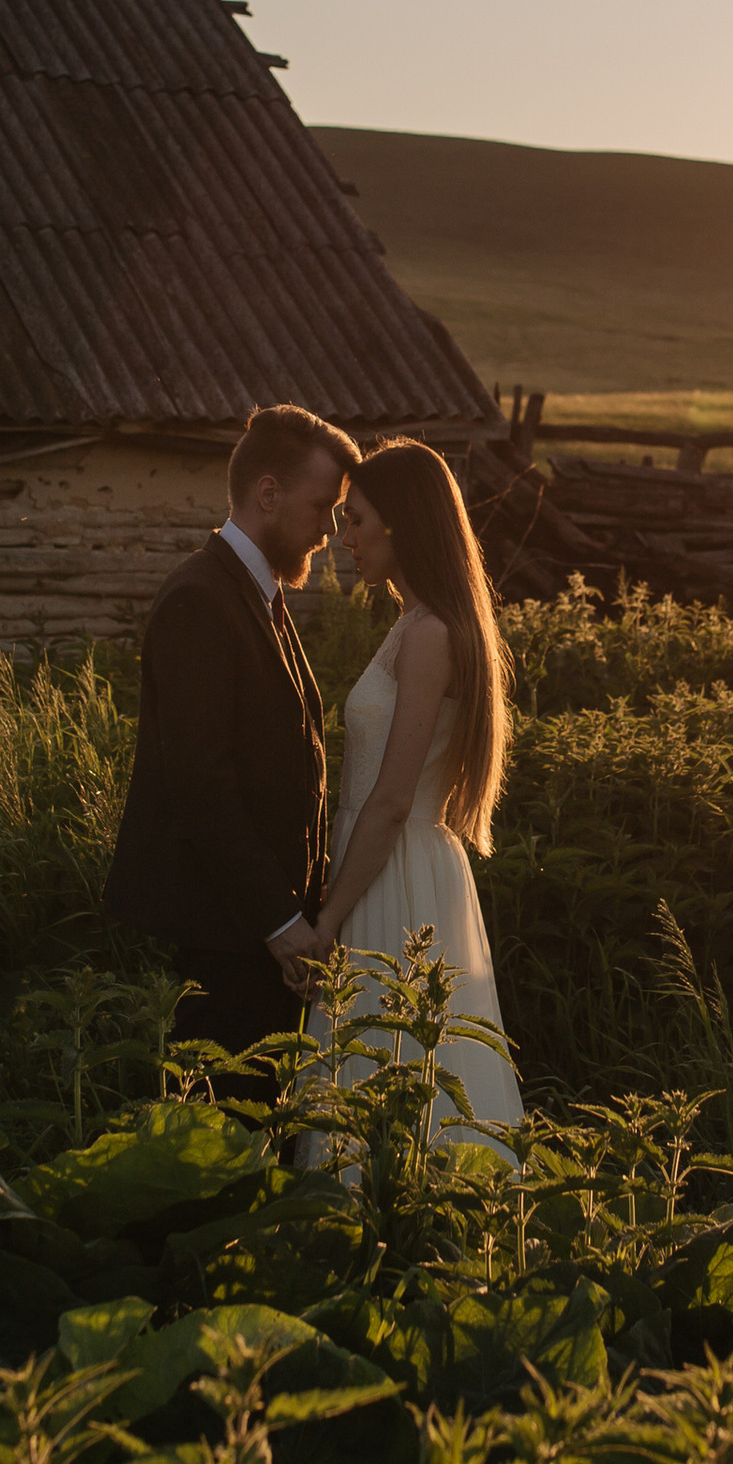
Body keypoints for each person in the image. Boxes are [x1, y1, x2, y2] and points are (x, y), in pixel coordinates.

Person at [104, 403, 358, 1066]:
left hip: (260, 936)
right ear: (267, 494)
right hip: (220, 939)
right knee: (221, 1138)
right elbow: (200, 786)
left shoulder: (257, 594)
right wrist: (280, 925)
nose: (329, 530)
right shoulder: (200, 599)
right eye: (321, 506)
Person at [301, 437, 523, 1152]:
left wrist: (328, 918)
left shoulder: (429, 634)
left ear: (401, 523)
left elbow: (393, 798)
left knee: (387, 1076)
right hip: (392, 862)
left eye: (358, 519)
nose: (345, 537)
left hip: (392, 873)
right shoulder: (414, 622)